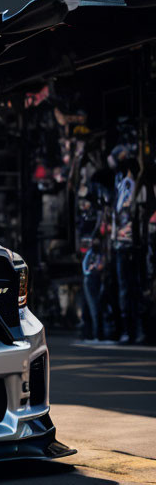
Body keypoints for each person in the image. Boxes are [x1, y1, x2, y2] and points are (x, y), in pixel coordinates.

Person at [110, 145, 141, 343]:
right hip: (122, 242)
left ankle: (131, 330)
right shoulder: (123, 184)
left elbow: (124, 214)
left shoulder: (129, 185)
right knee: (126, 288)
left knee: (128, 288)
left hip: (126, 242)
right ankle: (129, 329)